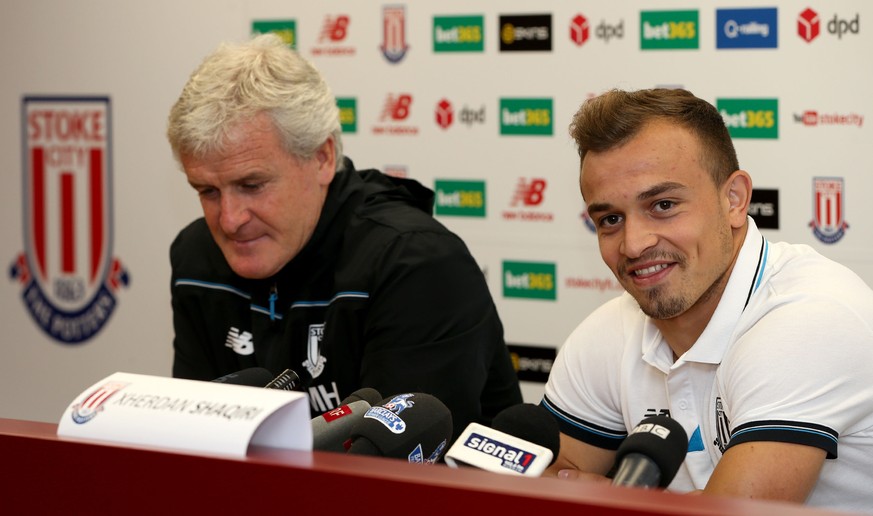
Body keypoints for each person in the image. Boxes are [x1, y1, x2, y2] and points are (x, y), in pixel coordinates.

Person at [165, 34, 522, 442]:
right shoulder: (197, 257)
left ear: (322, 157)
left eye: (252, 185)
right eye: (207, 192)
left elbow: (391, 477)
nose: (229, 220)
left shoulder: (414, 262)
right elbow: (195, 444)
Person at [542, 88, 873, 511]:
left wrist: (604, 496)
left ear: (734, 200)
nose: (633, 244)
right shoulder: (610, 329)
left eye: (663, 205)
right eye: (610, 219)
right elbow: (546, 483)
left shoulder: (813, 317)